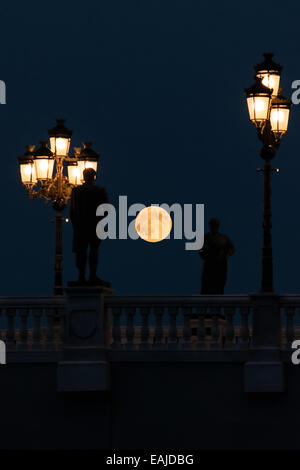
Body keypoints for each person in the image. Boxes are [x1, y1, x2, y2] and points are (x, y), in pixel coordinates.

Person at [69, 168, 110, 287]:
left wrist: (76, 224)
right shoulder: (99, 191)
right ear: (94, 177)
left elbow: (72, 211)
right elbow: (106, 209)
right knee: (92, 252)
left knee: (82, 252)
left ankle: (83, 276)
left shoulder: (76, 191)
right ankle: (90, 276)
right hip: (93, 226)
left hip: (82, 226)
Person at [199, 218, 235, 294]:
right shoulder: (205, 237)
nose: (213, 227)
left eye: (215, 225)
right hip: (209, 266)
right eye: (212, 225)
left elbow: (232, 249)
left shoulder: (224, 238)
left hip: (220, 266)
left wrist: (227, 255)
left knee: (219, 286)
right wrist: (204, 255)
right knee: (206, 287)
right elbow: (200, 249)